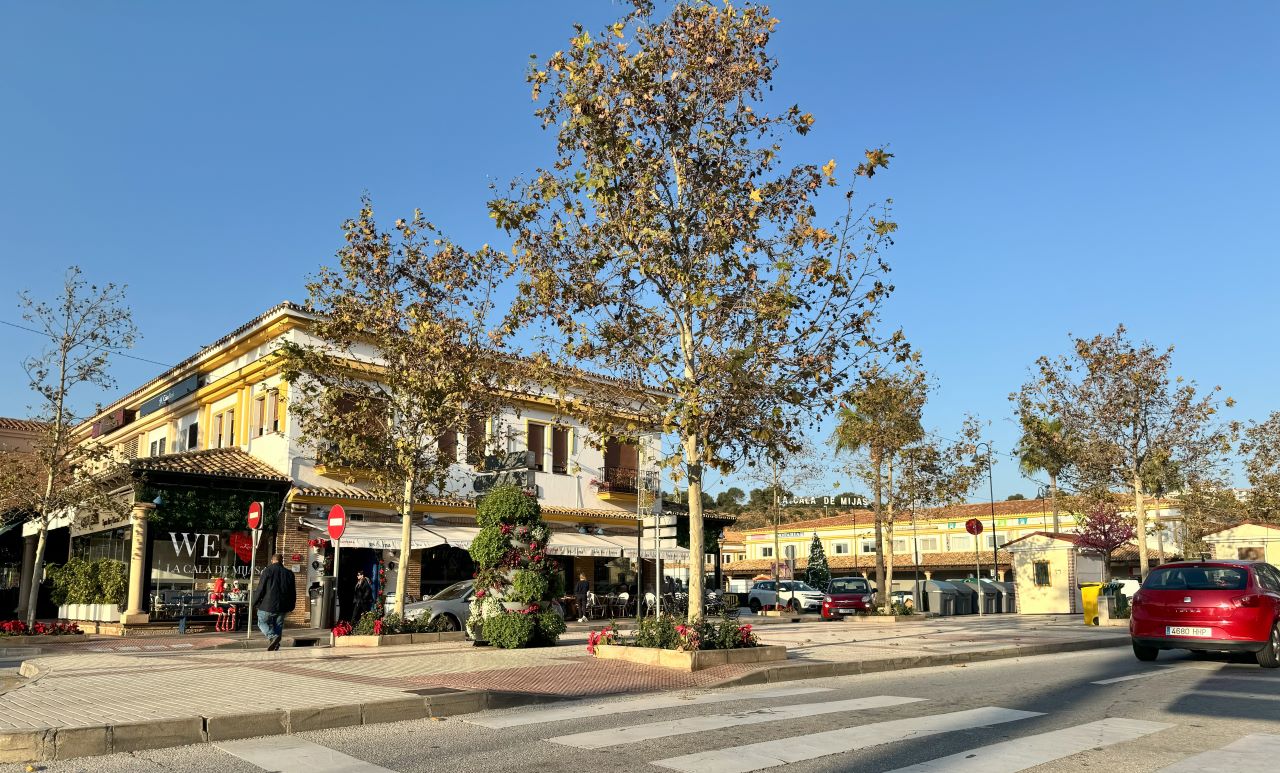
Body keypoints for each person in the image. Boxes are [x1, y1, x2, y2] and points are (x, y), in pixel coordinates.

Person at [252, 553, 296, 651]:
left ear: (272, 560)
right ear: (282, 561)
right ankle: (275, 645)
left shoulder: (267, 571)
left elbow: (261, 589)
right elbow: (293, 591)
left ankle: (272, 637)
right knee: (278, 624)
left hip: (267, 605)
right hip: (283, 606)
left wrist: (254, 602)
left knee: (261, 622)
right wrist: (292, 605)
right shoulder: (289, 573)